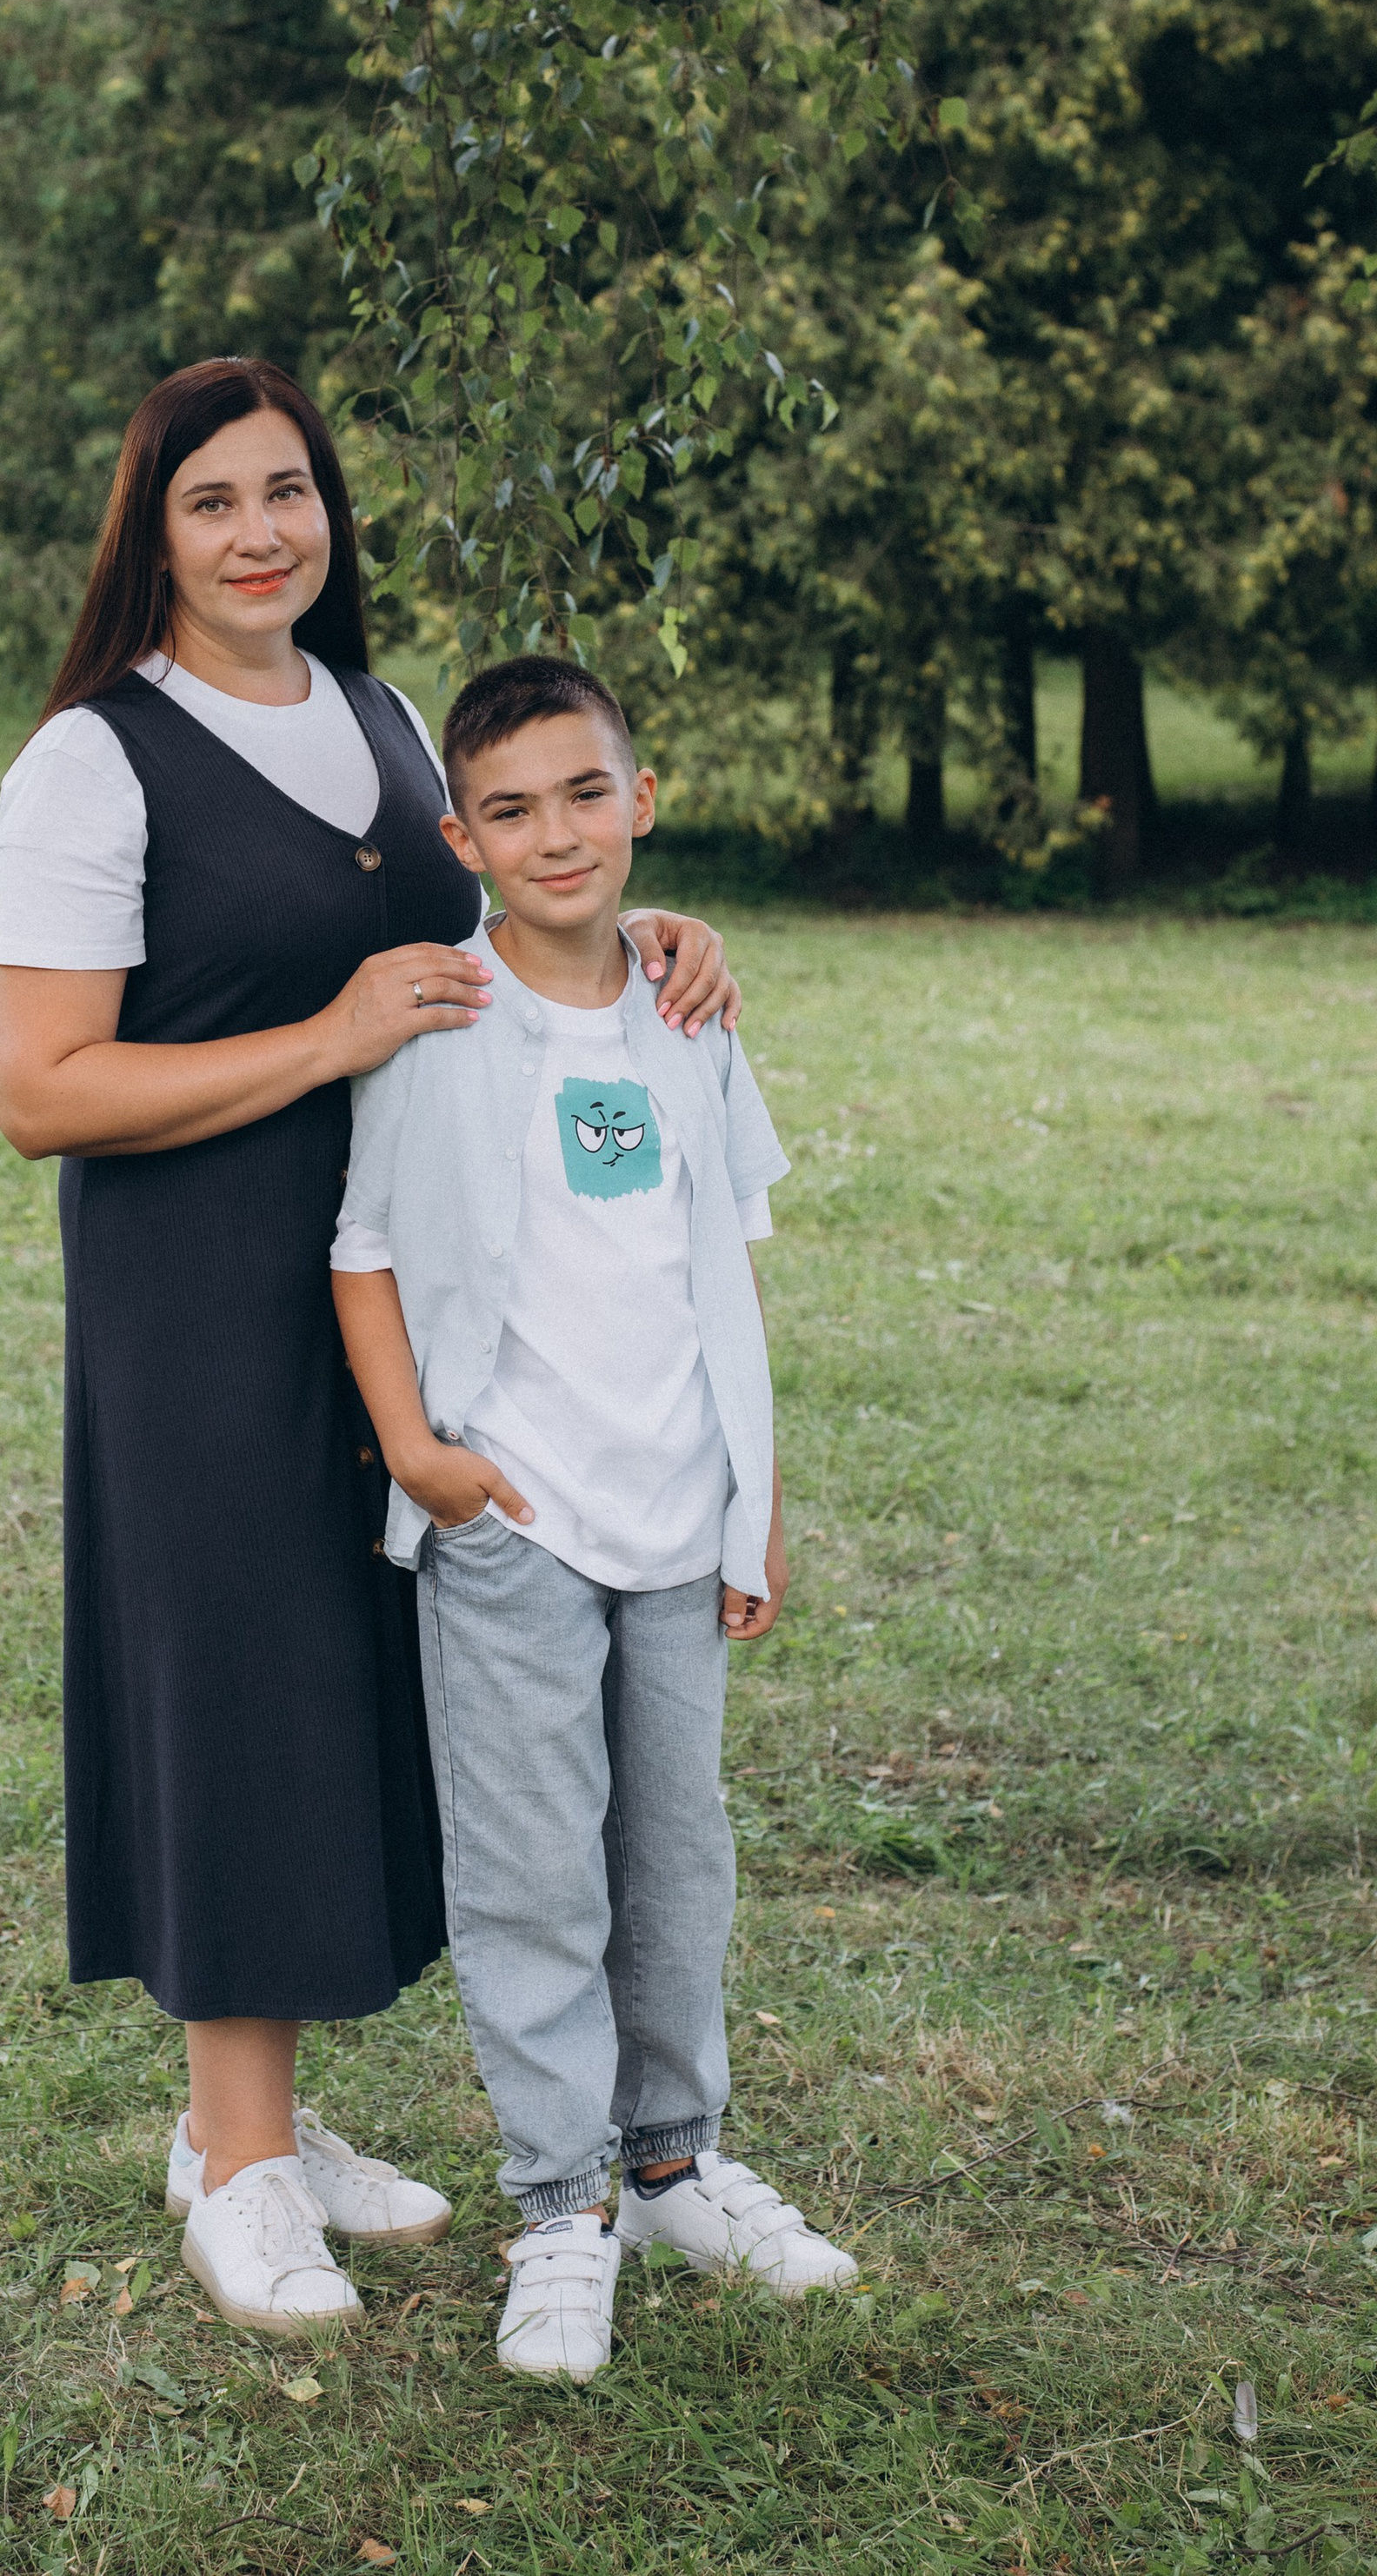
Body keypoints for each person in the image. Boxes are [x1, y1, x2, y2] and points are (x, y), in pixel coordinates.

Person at [0, 358, 744, 2339]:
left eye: (291, 492)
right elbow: (38, 1088)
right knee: (235, 1679)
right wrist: (320, 1043)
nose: (264, 533)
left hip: (415, 1284)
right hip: (200, 1296)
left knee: (351, 1685)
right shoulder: (90, 759)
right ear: (151, 529)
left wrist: (645, 932)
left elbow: (499, 919)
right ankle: (231, 2160)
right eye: (216, 500)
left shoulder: (383, 718)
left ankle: (280, 2117)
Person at [330, 653, 859, 2380]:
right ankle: (557, 2203)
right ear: (456, 834)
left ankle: (671, 2165)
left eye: (582, 793)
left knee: (672, 1858)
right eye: (508, 808)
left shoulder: (688, 1005)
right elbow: (366, 1253)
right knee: (530, 1873)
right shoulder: (441, 1016)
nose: (553, 834)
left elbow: (720, 1270)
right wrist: (421, 1452)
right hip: (511, 1520)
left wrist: (752, 1499)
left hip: (673, 1509)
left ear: (640, 799)